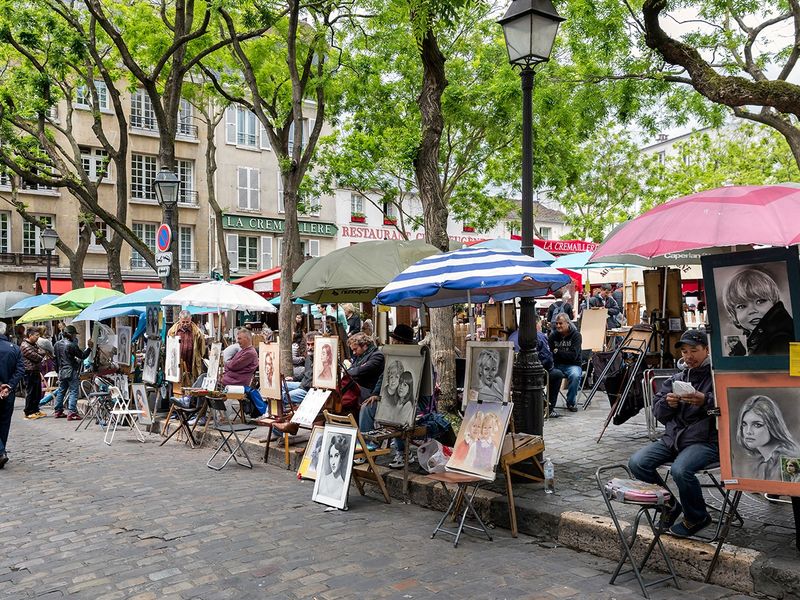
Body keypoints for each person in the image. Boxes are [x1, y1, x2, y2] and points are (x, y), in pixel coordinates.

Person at [628, 329, 718, 538]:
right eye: (685, 352)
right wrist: (669, 404)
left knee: (680, 470)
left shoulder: (716, 376)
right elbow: (659, 412)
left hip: (706, 441)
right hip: (674, 438)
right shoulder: (677, 377)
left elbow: (727, 409)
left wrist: (705, 401)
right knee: (637, 462)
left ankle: (697, 516)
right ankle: (668, 505)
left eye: (694, 351)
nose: (689, 357)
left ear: (706, 350)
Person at [723, 267, 794, 355]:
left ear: (774, 302)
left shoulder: (781, 339)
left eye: (760, 301)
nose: (752, 311)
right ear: (734, 315)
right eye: (742, 306)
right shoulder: (751, 337)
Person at [734, 394, 800, 481]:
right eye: (744, 424)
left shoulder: (788, 460)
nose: (748, 431)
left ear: (772, 425)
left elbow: (791, 492)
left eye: (757, 425)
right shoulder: (762, 460)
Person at [53, 325, 92, 421]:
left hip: (62, 370)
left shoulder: (57, 344)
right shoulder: (71, 345)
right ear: (70, 334)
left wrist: (58, 371)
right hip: (70, 370)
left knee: (61, 390)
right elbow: (82, 356)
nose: (75, 336)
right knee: (73, 391)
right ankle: (72, 412)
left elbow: (56, 360)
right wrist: (89, 348)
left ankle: (58, 410)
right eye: (74, 334)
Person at [0, 322, 24, 469]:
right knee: (4, 422)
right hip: (9, 392)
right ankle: (1, 452)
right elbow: (20, 370)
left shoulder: (15, 348)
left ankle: (1, 451)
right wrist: (8, 386)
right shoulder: (14, 348)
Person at [548, 313, 583, 412]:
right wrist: (561, 353)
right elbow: (549, 352)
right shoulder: (553, 336)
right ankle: (549, 404)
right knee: (548, 375)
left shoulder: (576, 336)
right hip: (557, 365)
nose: (558, 326)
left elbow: (573, 356)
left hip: (573, 365)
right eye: (557, 323)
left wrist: (557, 351)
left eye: (560, 323)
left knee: (575, 375)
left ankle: (571, 402)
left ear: (567, 323)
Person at [167, 311, 206, 382]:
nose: (185, 324)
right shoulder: (172, 331)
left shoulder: (197, 332)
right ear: (179, 319)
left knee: (190, 384)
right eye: (183, 322)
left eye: (187, 322)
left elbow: (202, 349)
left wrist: (198, 357)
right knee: (177, 386)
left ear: (191, 319)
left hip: (191, 363)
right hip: (177, 363)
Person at [20, 328, 47, 420]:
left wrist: (40, 353)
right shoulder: (25, 345)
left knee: (37, 392)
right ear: (30, 335)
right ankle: (28, 412)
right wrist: (40, 353)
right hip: (29, 371)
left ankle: (35, 410)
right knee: (31, 392)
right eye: (36, 335)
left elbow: (42, 352)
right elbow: (37, 357)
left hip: (35, 370)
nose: (37, 338)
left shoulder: (34, 344)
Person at [317, 433, 350, 499]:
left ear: (341, 458)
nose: (333, 462)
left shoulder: (342, 483)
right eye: (331, 456)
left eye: (336, 456)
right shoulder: (325, 479)